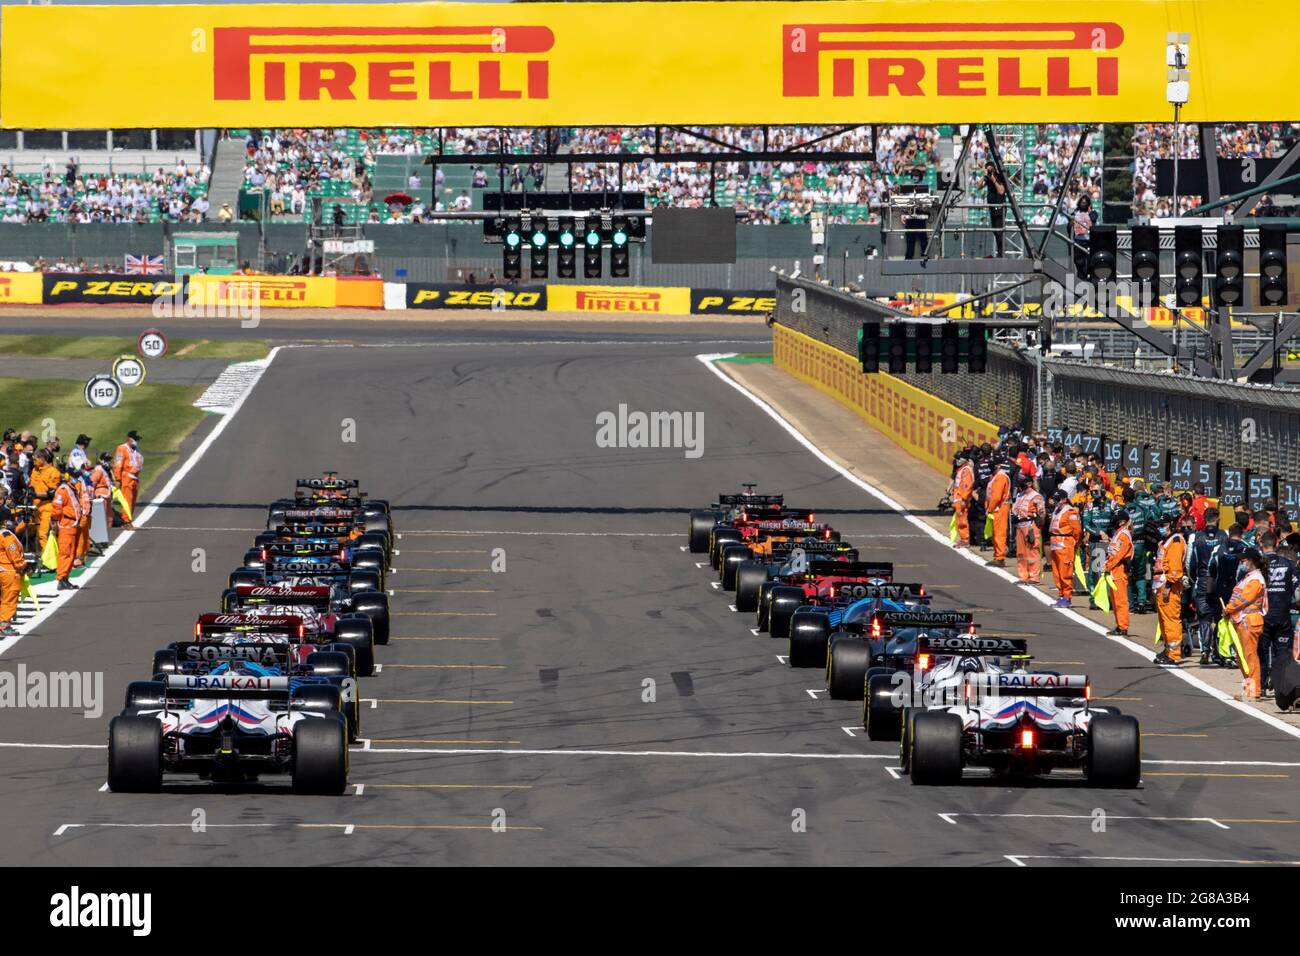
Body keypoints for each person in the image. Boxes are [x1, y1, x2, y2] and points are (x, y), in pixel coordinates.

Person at [1223, 548, 1269, 700]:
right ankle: (1249, 688)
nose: (1241, 562)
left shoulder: (1255, 579)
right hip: (1243, 620)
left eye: (1244, 560)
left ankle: (1253, 691)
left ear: (1251, 561)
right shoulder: (1249, 577)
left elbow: (1243, 599)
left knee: (1249, 656)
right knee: (1242, 656)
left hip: (1249, 620)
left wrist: (1228, 609)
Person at [1257, 531, 1297, 696]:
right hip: (1283, 615)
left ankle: (1262, 686)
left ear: (1261, 544)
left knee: (1263, 651)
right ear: (1275, 543)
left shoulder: (1258, 564)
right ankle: (1281, 686)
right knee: (1282, 652)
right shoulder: (1288, 564)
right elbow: (1297, 590)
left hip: (1264, 615)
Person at [1186, 508, 1228, 665]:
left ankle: (1205, 651)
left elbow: (1190, 564)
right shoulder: (1225, 535)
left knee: (1204, 617)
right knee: (1220, 618)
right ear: (1217, 518)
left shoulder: (1195, 537)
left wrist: (1195, 579)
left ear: (1204, 518)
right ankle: (1219, 652)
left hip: (1203, 581)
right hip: (1220, 583)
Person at [1152, 519, 1187, 665]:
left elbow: (1175, 568)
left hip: (1169, 585)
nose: (1161, 528)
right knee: (1164, 620)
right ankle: (1168, 649)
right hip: (1161, 583)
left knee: (1171, 619)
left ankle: (1174, 653)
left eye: (1164, 525)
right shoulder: (1167, 541)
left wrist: (1168, 586)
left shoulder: (1176, 541)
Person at [1082, 488, 1116, 609]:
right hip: (1095, 542)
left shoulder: (1112, 503)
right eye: (1092, 491)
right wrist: (1099, 532)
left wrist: (1112, 534)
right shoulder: (1090, 505)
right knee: (1095, 571)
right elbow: (1086, 524)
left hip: (1111, 542)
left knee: (1110, 570)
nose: (1093, 494)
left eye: (1096, 491)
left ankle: (1109, 598)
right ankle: (1094, 599)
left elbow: (1119, 520)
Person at [50, 465, 83, 590]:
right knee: (65, 553)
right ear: (68, 476)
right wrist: (54, 521)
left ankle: (65, 577)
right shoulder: (63, 490)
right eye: (74, 476)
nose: (76, 478)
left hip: (74, 525)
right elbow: (56, 508)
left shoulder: (72, 488)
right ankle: (61, 578)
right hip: (66, 525)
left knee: (72, 553)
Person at [1048, 489, 1083, 607]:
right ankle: (1061, 595)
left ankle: (1067, 597)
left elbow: (1077, 530)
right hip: (1055, 544)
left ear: (1064, 499)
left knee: (1065, 572)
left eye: (1058, 500)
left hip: (1065, 545)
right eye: (1055, 499)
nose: (1056, 502)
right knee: (1056, 573)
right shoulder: (1056, 510)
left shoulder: (1070, 512)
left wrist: (1075, 543)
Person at [1104, 510, 1134, 637]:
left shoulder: (1123, 535)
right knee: (1115, 601)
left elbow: (1118, 555)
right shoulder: (1118, 533)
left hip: (1119, 570)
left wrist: (1107, 566)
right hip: (1114, 571)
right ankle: (1119, 625)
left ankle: (1123, 627)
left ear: (1121, 521)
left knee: (1120, 601)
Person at [1011, 475, 1045, 584]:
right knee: (1021, 552)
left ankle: (1034, 577)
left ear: (1029, 483)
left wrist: (1039, 525)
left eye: (1022, 482)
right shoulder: (1019, 495)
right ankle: (1023, 576)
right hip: (1019, 525)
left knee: (1032, 551)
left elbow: (1042, 513)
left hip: (1030, 525)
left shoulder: (1036, 496)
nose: (1020, 485)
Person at [28, 448, 60, 550]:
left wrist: (36, 494)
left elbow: (52, 493)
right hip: (35, 506)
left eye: (35, 459)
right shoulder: (34, 470)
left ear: (42, 459)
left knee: (43, 534)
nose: (33, 462)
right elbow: (31, 485)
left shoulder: (53, 472)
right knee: (29, 530)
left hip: (48, 506)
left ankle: (49, 560)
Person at [0, 507, 25, 634]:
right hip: (8, 570)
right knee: (9, 597)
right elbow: (13, 552)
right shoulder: (6, 535)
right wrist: (23, 566)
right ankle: (4, 624)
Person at [985, 460, 1012, 566]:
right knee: (996, 532)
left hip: (1000, 508)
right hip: (996, 508)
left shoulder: (1000, 477)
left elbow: (996, 496)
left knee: (999, 533)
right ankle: (997, 555)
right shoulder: (997, 476)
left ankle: (1000, 557)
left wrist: (989, 508)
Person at [113, 430, 143, 522]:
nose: (136, 441)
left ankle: (128, 518)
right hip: (127, 478)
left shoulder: (136, 450)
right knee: (127, 500)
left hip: (135, 478)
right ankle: (126, 520)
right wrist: (118, 479)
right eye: (135, 439)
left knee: (133, 501)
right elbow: (118, 464)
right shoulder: (122, 448)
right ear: (129, 439)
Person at [949, 454, 974, 548]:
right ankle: (963, 538)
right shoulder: (961, 469)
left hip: (961, 499)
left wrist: (964, 499)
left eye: (958, 458)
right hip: (958, 498)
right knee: (960, 520)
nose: (956, 460)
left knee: (962, 520)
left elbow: (967, 486)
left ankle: (965, 540)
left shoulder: (966, 470)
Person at [983, 161, 1007, 257]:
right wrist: (984, 176)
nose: (989, 171)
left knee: (999, 231)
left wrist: (993, 178)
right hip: (992, 208)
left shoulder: (999, 177)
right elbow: (978, 186)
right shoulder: (987, 177)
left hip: (999, 207)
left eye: (990, 169)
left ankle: (1001, 253)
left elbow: (1001, 191)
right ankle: (999, 251)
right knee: (995, 230)